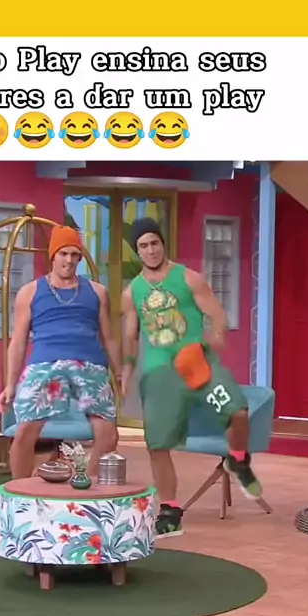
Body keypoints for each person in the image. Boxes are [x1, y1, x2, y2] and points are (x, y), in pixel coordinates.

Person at [121, 216, 263, 538]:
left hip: (199, 364)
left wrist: (217, 336)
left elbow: (217, 315)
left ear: (163, 243)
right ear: (137, 251)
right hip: (160, 373)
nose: (151, 250)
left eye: (155, 243)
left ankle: (238, 459)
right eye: (143, 246)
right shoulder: (132, 293)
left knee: (238, 412)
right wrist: (127, 370)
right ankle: (170, 511)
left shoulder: (188, 278)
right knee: (157, 445)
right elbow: (130, 336)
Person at [0, 224, 120, 479]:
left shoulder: (97, 292)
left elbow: (108, 337)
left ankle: (87, 485)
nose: (69, 260)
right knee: (25, 431)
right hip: (45, 365)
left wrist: (118, 373)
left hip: (90, 364)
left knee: (108, 434)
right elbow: (18, 341)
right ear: (53, 255)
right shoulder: (30, 292)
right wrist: (10, 385)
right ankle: (22, 492)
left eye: (75, 255)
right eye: (64, 253)